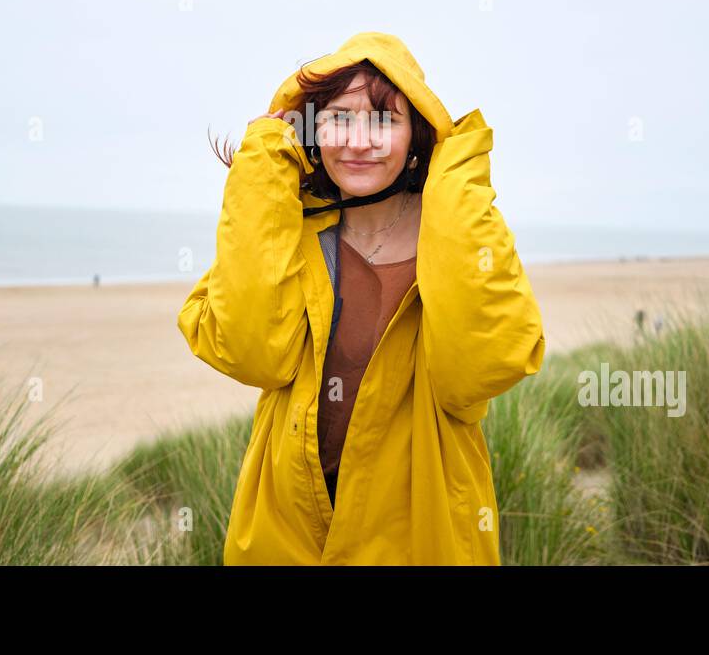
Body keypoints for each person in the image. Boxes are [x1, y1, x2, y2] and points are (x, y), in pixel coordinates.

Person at [177, 31, 545, 565]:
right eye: (340, 118)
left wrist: (458, 184)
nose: (358, 141)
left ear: (419, 135)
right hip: (286, 526)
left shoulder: (458, 238)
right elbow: (251, 353)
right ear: (310, 128)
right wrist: (262, 172)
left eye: (384, 120)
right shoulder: (292, 236)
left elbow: (483, 370)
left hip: (422, 528)